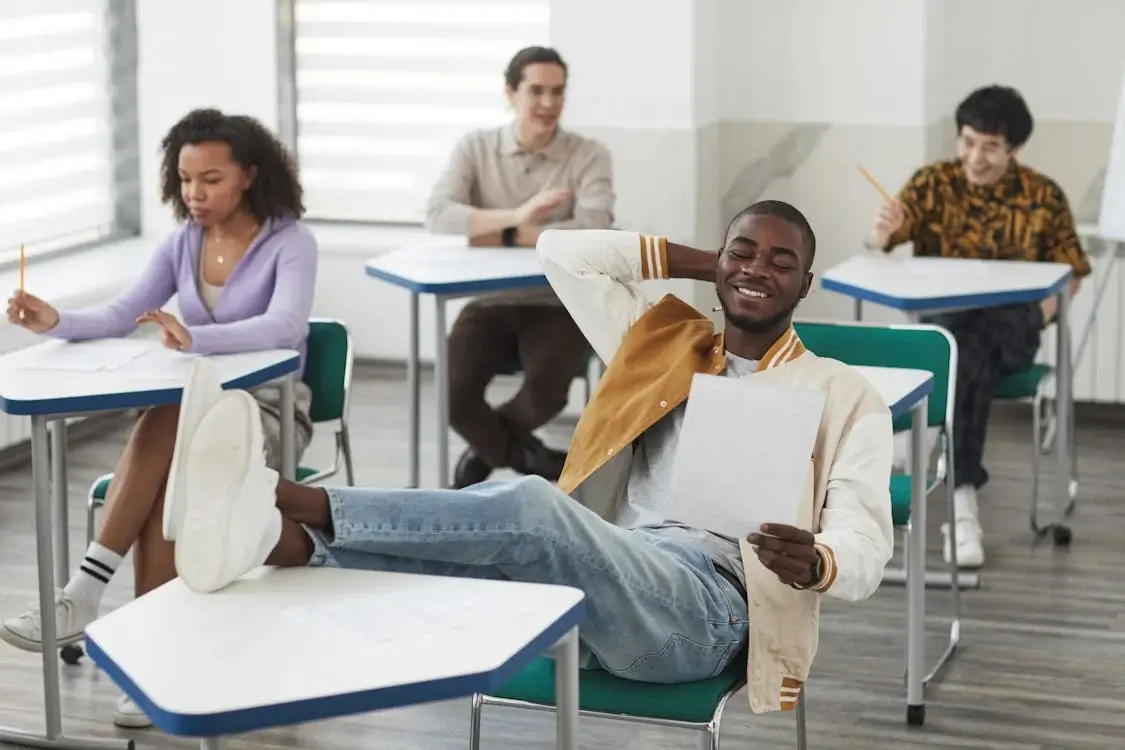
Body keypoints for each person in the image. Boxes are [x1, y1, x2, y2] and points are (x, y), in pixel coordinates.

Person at [160, 200, 894, 716]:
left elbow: (864, 541)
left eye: (780, 262)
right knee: (493, 555)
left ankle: (288, 497)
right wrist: (717, 263)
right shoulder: (663, 340)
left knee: (533, 507)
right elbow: (560, 253)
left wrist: (817, 561)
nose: (758, 269)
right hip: (606, 580)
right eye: (744, 251)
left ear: (806, 281)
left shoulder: (840, 392)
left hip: (706, 617)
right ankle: (276, 542)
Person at [0, 108, 318, 728]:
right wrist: (54, 320)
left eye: (212, 180)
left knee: (173, 424)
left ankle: (86, 596)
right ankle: (152, 659)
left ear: (249, 175)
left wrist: (194, 339)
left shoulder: (291, 241)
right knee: (176, 447)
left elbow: (287, 327)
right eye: (186, 179)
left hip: (269, 411)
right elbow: (123, 313)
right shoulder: (181, 243)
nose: (194, 195)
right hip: (194, 413)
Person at [864, 85, 1091, 569]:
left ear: (1014, 148)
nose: (975, 157)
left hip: (1014, 332)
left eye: (990, 146)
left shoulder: (1043, 195)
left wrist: (1038, 314)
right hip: (948, 331)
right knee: (963, 343)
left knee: (967, 343)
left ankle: (934, 446)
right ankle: (962, 505)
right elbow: (880, 241)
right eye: (967, 142)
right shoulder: (933, 182)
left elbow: (1071, 275)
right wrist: (882, 231)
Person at [424, 45, 615, 489]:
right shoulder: (476, 148)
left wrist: (497, 231)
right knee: (452, 397)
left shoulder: (588, 155)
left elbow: (594, 226)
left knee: (545, 396)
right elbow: (439, 214)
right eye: (537, 91)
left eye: (558, 92)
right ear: (510, 93)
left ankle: (490, 450)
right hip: (488, 300)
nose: (549, 103)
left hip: (558, 299)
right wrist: (519, 214)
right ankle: (536, 460)